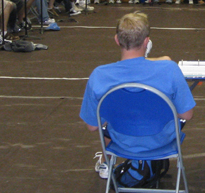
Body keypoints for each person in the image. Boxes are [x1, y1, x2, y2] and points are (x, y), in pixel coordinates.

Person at [79, 12, 195, 178]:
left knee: (110, 118)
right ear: (147, 42)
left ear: (117, 40)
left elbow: (92, 126)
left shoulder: (99, 75)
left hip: (121, 141)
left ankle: (106, 162)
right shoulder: (169, 69)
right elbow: (187, 114)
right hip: (161, 140)